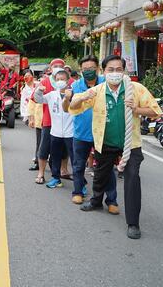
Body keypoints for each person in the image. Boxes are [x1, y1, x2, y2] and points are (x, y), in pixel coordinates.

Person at [69, 55, 162, 239]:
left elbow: (156, 111)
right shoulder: (97, 91)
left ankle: (133, 223)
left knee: (132, 178)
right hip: (105, 142)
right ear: (103, 72)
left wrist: (137, 109)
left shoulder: (135, 89)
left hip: (131, 144)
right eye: (110, 69)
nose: (114, 73)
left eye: (118, 69)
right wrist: (81, 97)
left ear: (124, 71)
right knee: (101, 174)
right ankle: (96, 201)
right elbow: (73, 108)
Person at [61, 55, 118, 209]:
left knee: (107, 167)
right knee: (78, 165)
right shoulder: (75, 86)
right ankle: (77, 192)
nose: (89, 71)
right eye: (85, 69)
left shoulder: (107, 84)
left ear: (98, 69)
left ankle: (111, 200)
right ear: (81, 70)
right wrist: (67, 99)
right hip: (81, 133)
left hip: (102, 133)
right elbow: (66, 109)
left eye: (92, 69)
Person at [34, 69, 74, 188]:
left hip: (70, 133)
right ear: (54, 81)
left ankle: (80, 183)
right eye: (58, 79)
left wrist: (70, 97)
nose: (60, 81)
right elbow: (39, 99)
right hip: (55, 132)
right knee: (55, 157)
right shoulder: (52, 95)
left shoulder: (74, 94)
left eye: (62, 79)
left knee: (75, 159)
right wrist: (39, 91)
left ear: (68, 81)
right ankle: (56, 178)